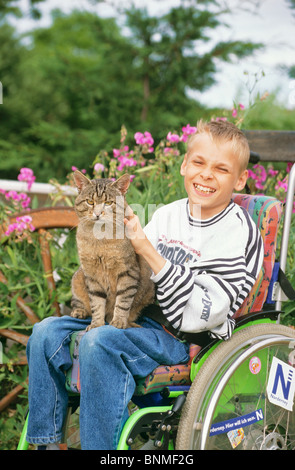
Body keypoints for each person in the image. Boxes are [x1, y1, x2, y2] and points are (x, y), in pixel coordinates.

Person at [26, 119, 264, 450]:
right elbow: (131, 273)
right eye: (198, 162)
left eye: (221, 169)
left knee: (100, 342)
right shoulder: (168, 214)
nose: (206, 174)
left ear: (240, 179)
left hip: (183, 339)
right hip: (138, 318)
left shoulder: (237, 233)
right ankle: (46, 442)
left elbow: (203, 315)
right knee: (45, 333)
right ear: (184, 165)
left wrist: (150, 253)